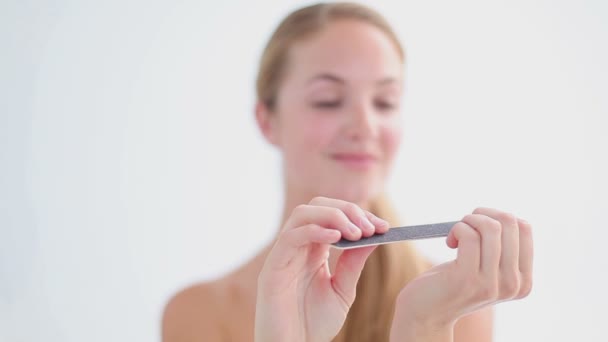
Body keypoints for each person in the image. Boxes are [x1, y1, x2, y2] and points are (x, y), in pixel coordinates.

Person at [161, 2, 534, 341]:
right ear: (266, 120)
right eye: (329, 100)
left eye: (385, 102)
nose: (365, 125)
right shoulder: (199, 313)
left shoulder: (458, 301)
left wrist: (424, 326)